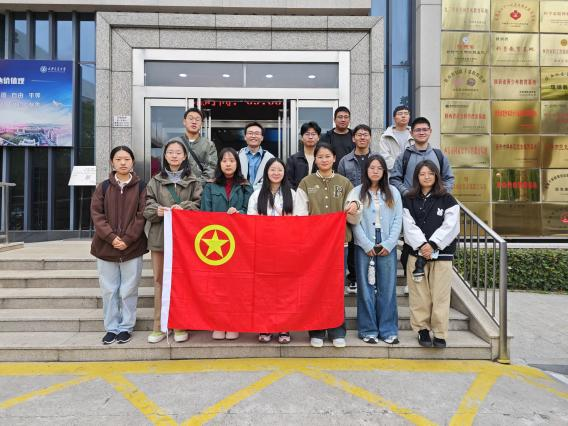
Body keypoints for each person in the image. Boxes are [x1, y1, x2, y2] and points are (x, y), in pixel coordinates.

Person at [296, 142, 361, 349]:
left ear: (334, 158)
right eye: (320, 157)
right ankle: (316, 330)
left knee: (336, 288)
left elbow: (354, 216)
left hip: (339, 244)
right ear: (314, 160)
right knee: (315, 287)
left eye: (327, 156)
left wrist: (355, 207)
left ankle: (337, 330)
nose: (324, 160)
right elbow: (300, 215)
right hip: (314, 247)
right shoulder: (306, 183)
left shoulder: (345, 183)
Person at [144, 140, 202, 344]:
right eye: (170, 152)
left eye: (178, 152)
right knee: (159, 280)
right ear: (165, 156)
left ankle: (180, 324)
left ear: (185, 156)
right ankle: (158, 326)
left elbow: (199, 204)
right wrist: (157, 211)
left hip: (185, 240)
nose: (174, 155)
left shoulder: (194, 181)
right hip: (160, 238)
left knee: (181, 281)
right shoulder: (155, 181)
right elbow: (146, 206)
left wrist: (184, 208)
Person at [90, 146, 148, 345]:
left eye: (126, 159)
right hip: (105, 247)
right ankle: (111, 328)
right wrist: (111, 237)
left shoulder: (141, 187)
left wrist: (128, 239)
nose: (123, 162)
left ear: (133, 162)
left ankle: (126, 327)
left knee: (129, 290)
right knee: (109, 290)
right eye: (118, 159)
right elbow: (97, 215)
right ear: (112, 162)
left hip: (132, 248)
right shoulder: (103, 187)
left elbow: (142, 215)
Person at [402, 160, 459, 348]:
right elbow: (408, 225)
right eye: (422, 173)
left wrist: (433, 244)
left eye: (430, 173)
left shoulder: (447, 199)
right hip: (416, 255)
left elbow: (451, 226)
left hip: (442, 255)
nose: (426, 177)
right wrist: (422, 245)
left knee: (440, 296)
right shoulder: (409, 199)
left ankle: (440, 333)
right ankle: (422, 330)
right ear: (416, 177)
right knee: (419, 296)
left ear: (436, 176)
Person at [347, 154, 402, 345]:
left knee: (387, 288)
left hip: (387, 241)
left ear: (384, 171)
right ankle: (368, 330)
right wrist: (365, 244)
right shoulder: (356, 192)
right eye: (372, 168)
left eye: (379, 168)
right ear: (366, 171)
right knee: (366, 288)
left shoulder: (393, 192)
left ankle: (388, 330)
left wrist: (390, 243)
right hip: (364, 243)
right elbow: (353, 221)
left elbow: (398, 219)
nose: (375, 171)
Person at [201, 147, 253, 340]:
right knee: (217, 284)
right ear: (219, 164)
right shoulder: (210, 186)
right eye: (224, 161)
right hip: (216, 244)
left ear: (237, 164)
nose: (228, 164)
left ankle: (233, 323)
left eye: (232, 160)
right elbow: (204, 214)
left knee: (236, 285)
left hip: (239, 243)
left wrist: (240, 214)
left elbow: (251, 211)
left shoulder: (245, 186)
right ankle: (218, 323)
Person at [247, 157, 298, 344]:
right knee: (264, 290)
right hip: (263, 250)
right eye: (272, 170)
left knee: (285, 290)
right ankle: (265, 326)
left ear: (284, 173)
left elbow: (300, 220)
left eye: (279, 170)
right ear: (266, 172)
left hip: (286, 250)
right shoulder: (256, 195)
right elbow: (250, 221)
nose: (276, 173)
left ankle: (284, 327)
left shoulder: (293, 194)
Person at [337, 124, 373, 294]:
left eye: (365, 134)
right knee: (352, 243)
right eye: (359, 135)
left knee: (370, 241)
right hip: (351, 207)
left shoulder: (376, 159)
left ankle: (370, 278)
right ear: (353, 138)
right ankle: (353, 279)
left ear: (370, 138)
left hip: (372, 207)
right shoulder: (345, 161)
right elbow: (341, 185)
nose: (362, 137)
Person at [390, 116, 454, 197]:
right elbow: (394, 179)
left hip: (435, 202)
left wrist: (442, 195)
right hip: (410, 202)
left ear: (430, 131)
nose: (421, 133)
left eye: (425, 129)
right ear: (411, 133)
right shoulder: (403, 156)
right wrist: (406, 193)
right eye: (418, 130)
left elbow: (449, 178)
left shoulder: (439, 155)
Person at [166, 107, 217, 184]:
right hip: (176, 187)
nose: (194, 122)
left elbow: (211, 169)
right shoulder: (173, 143)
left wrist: (194, 185)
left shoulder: (209, 145)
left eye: (197, 119)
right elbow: (165, 167)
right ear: (184, 122)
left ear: (201, 123)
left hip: (200, 189)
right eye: (191, 119)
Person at [373, 105, 413, 172]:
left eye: (406, 113)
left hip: (412, 172)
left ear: (409, 117)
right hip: (392, 173)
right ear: (394, 118)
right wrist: (400, 168)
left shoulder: (415, 134)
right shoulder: (386, 136)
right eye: (400, 113)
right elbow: (384, 157)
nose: (403, 116)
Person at [238, 121, 275, 191]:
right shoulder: (236, 156)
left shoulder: (270, 158)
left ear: (262, 138)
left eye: (257, 133)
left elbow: (272, 179)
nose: (253, 136)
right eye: (250, 133)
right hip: (240, 193)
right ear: (245, 137)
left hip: (263, 194)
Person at [286, 121, 320, 190]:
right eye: (307, 134)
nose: (310, 137)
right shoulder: (293, 159)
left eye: (313, 134)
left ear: (318, 137)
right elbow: (288, 181)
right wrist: (297, 194)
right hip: (298, 195)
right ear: (302, 137)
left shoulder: (323, 159)